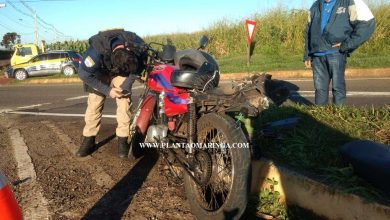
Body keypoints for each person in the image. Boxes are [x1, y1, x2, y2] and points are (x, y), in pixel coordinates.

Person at [77, 29, 146, 158]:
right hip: (100, 72)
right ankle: (89, 139)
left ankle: (122, 139)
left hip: (124, 71)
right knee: (94, 104)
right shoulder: (95, 52)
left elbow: (139, 67)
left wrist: (126, 85)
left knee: (124, 102)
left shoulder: (137, 44)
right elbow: (83, 74)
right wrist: (108, 90)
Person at [304, 0, 375, 105]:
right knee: (320, 89)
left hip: (336, 52)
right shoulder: (315, 5)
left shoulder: (349, 2)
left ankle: (339, 116)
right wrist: (307, 54)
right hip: (317, 54)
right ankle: (320, 116)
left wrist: (346, 44)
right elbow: (308, 31)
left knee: (338, 87)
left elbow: (368, 23)